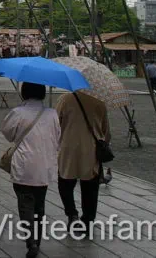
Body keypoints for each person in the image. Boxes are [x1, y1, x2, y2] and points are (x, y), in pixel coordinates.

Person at [2, 83, 60, 258]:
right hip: (44, 166)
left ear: (24, 92)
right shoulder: (52, 114)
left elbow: (8, 134)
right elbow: (58, 137)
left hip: (23, 166)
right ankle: (37, 240)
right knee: (39, 205)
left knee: (25, 204)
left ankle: (31, 241)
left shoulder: (18, 113)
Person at [56, 91, 110, 234]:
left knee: (65, 183)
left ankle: (72, 214)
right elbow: (105, 131)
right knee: (90, 186)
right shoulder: (99, 101)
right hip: (90, 150)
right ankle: (88, 219)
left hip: (68, 149)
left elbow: (56, 124)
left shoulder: (65, 99)